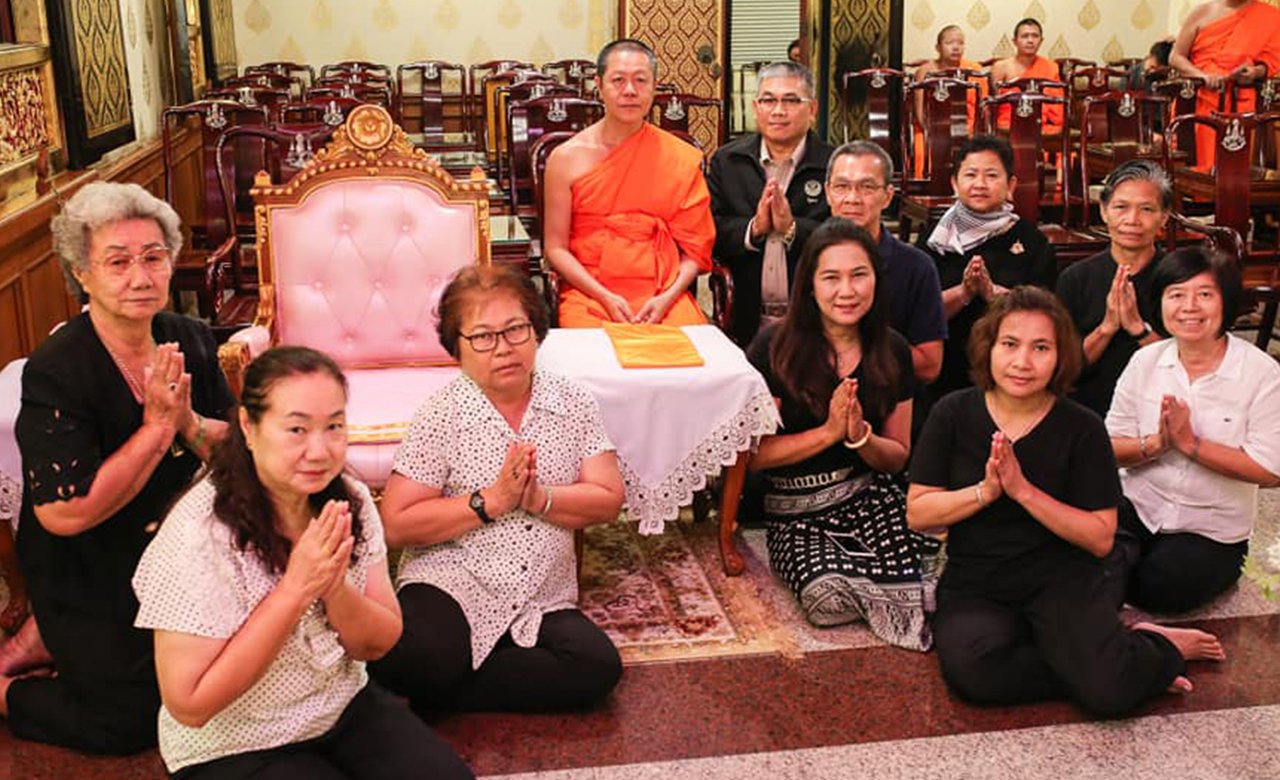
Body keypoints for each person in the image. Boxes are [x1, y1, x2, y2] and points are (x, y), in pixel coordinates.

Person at [132, 347, 473, 778]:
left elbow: (381, 641)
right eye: (296, 429)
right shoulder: (198, 533)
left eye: (334, 426)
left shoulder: (348, 500)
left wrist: (334, 588)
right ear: (249, 427)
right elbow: (190, 704)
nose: (319, 450)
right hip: (233, 744)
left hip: (338, 708)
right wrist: (295, 590)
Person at [907, 286, 1225, 716]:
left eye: (1041, 348)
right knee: (974, 675)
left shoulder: (1082, 427)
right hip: (978, 581)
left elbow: (1098, 538)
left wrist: (1023, 491)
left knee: (1108, 697)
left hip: (1065, 576)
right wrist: (985, 492)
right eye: (1010, 345)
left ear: (1061, 357)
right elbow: (919, 512)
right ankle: (1116, 655)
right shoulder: (953, 413)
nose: (1022, 362)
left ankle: (1153, 649)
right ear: (988, 348)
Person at [1, 182, 232, 754]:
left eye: (153, 258)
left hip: (183, 550)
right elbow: (64, 514)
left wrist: (188, 425)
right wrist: (156, 428)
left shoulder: (190, 338)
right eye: (118, 261)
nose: (140, 276)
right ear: (82, 273)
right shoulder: (59, 370)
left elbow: (236, 449)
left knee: (226, 684)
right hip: (89, 563)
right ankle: (8, 687)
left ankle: (48, 640)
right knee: (130, 719)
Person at [369, 266, 625, 713]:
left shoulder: (574, 402)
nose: (503, 348)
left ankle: (444, 693)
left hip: (541, 595)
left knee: (596, 666)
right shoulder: (440, 414)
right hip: (452, 579)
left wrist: (539, 499)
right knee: (421, 655)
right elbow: (395, 523)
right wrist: (492, 502)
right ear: (457, 349)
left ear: (537, 331)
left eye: (515, 330)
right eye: (483, 337)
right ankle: (441, 676)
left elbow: (608, 498)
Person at [746, 219, 939, 649]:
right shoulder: (774, 348)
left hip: (869, 495)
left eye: (859, 276)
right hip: (795, 510)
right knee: (826, 599)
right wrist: (831, 432)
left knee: (940, 570)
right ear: (810, 286)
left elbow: (897, 455)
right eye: (831, 278)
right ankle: (880, 591)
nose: (846, 291)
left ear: (875, 280)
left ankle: (894, 590)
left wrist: (861, 439)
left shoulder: (892, 350)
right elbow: (754, 456)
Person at [1107, 248, 1280, 613]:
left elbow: (1270, 469)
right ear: (1161, 303)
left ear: (1227, 303)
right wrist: (1155, 444)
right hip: (1139, 505)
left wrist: (1190, 444)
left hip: (1211, 526)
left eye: (1204, 295)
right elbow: (1110, 446)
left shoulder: (1261, 373)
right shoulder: (1145, 361)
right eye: (1176, 294)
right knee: (1079, 559)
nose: (1189, 307)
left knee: (1162, 590)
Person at [543, 38, 715, 327]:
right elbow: (555, 248)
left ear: (654, 87)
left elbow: (696, 252)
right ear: (598, 86)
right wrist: (604, 296)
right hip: (589, 293)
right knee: (595, 360)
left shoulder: (677, 157)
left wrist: (668, 297)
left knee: (689, 358)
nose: (630, 91)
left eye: (640, 80)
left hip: (662, 293)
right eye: (618, 80)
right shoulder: (566, 158)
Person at [708, 60, 833, 344]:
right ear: (755, 108)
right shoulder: (728, 161)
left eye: (791, 100)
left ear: (812, 110)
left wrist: (792, 229)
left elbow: (846, 235)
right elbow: (708, 231)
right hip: (745, 317)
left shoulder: (833, 165)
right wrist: (753, 229)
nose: (778, 111)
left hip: (816, 321)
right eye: (768, 100)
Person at [921, 136, 1056, 398]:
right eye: (970, 174)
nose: (980, 184)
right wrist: (963, 293)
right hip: (944, 370)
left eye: (991, 175)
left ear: (1011, 185)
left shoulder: (1032, 242)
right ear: (954, 182)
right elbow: (919, 314)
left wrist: (992, 294)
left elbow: (1045, 316)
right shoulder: (934, 239)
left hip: (1012, 374)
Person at [825, 141, 945, 385]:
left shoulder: (917, 267)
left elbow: (930, 365)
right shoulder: (810, 257)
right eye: (842, 186)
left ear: (888, 196)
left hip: (893, 397)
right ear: (827, 192)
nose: (852, 198)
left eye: (866, 187)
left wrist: (850, 351)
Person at [1056, 160, 1168, 417]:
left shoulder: (1179, 279)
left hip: (1160, 407)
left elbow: (1191, 364)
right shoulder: (1075, 278)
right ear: (1104, 211)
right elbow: (1062, 369)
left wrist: (1139, 329)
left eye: (1147, 209)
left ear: (1164, 217)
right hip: (1088, 411)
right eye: (1121, 207)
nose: (1132, 220)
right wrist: (1106, 329)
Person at [1169, 0, 1280, 169]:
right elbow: (1176, 57)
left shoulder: (1270, 16)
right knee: (1198, 164)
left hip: (1242, 103)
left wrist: (1254, 72)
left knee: (1235, 167)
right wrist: (1203, 76)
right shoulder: (1202, 12)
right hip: (1200, 100)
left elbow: (1270, 61)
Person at [912, 25, 988, 178]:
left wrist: (970, 133)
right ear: (938, 47)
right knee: (923, 153)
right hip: (931, 130)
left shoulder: (974, 70)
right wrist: (936, 133)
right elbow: (919, 112)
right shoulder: (925, 71)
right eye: (950, 43)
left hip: (968, 129)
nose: (956, 47)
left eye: (960, 43)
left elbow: (983, 109)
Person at [990, 18, 1064, 132]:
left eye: (1035, 36)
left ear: (1041, 40)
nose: (1030, 41)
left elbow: (1056, 106)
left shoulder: (1051, 67)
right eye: (1025, 36)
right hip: (1008, 125)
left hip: (1041, 125)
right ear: (1014, 41)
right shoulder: (1001, 67)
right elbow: (990, 105)